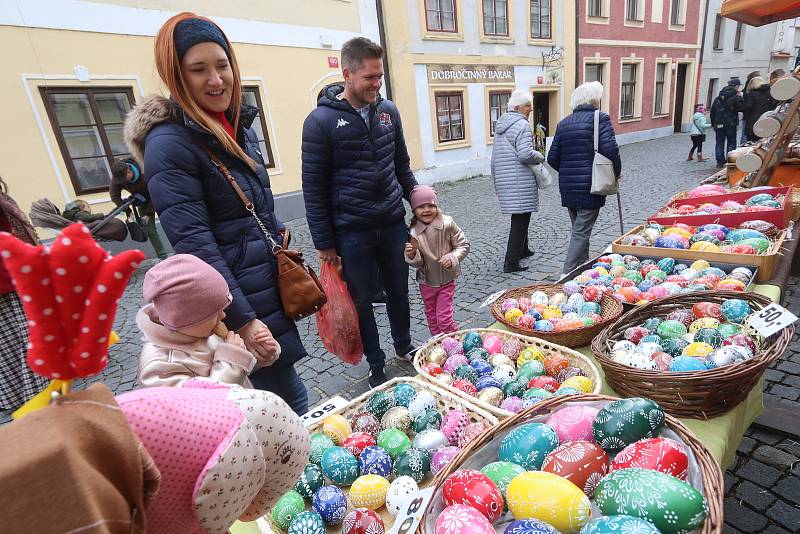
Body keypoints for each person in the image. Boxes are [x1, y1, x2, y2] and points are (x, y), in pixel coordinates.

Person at [123, 12, 310, 414]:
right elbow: (195, 245)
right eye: (198, 69)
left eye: (222, 65)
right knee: (281, 406)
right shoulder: (170, 144)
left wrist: (277, 234)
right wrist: (243, 319)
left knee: (287, 399)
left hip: (262, 287)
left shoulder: (235, 125)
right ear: (176, 76)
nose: (216, 79)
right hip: (235, 307)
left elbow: (253, 208)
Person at [301, 37, 417, 387]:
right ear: (347, 74)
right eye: (369, 77)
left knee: (399, 290)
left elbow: (402, 166)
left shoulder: (388, 112)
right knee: (362, 301)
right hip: (352, 233)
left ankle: (404, 348)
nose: (376, 84)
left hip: (392, 223)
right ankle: (377, 364)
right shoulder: (319, 122)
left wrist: (420, 201)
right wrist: (325, 245)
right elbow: (314, 189)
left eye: (379, 76)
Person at [137, 254, 279, 388]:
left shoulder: (204, 332)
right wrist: (232, 358)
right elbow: (202, 405)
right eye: (214, 313)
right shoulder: (159, 368)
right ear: (188, 318)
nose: (223, 315)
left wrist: (263, 354)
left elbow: (240, 371)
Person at [547, 81, 621, 277]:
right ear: (595, 99)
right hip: (591, 185)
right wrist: (616, 173)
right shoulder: (600, 119)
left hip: (569, 187)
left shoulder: (563, 124)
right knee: (580, 232)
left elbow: (552, 158)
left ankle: (584, 269)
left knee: (580, 230)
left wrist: (567, 172)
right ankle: (566, 275)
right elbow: (611, 150)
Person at [0, 176, 48, 414]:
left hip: (11, 276)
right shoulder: (3, 202)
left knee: (9, 341)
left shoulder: (3, 201)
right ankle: (36, 391)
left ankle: (14, 396)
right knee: (26, 335)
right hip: (11, 278)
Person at [490, 89, 545, 273]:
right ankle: (511, 262)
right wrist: (541, 156)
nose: (530, 109)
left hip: (507, 180)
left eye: (530, 105)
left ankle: (523, 250)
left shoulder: (501, 126)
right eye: (527, 106)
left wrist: (496, 182)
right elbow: (525, 154)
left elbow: (494, 159)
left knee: (521, 215)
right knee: (520, 219)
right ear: (517, 107)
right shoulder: (521, 125)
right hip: (519, 180)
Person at [404, 185, 469, 336]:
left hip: (447, 279)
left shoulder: (447, 224)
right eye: (421, 206)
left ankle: (454, 340)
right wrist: (412, 254)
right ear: (414, 209)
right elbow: (418, 264)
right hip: (426, 281)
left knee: (443, 318)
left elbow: (463, 244)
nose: (426, 210)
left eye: (430, 205)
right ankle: (438, 342)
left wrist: (453, 257)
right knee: (432, 316)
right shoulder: (413, 231)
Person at [109, 159, 169, 259]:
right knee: (150, 230)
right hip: (143, 201)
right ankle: (163, 256)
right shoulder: (118, 176)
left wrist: (149, 214)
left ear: (129, 171)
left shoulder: (145, 173)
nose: (121, 182)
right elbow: (115, 196)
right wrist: (128, 212)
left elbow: (155, 194)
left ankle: (182, 248)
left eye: (123, 179)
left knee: (170, 221)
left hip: (161, 194)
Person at [710, 78, 745, 168]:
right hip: (731, 124)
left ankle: (719, 162)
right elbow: (742, 108)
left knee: (719, 143)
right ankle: (730, 161)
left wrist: (713, 123)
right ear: (736, 86)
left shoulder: (718, 98)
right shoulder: (735, 98)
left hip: (718, 124)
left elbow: (712, 111)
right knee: (731, 143)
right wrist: (741, 98)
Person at [61, 199, 128, 241]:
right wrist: (100, 215)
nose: (90, 209)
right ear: (82, 208)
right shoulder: (80, 214)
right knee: (112, 222)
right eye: (88, 207)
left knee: (108, 219)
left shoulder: (76, 215)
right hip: (87, 228)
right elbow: (90, 218)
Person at [743, 76, 779, 142]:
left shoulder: (752, 94)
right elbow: (775, 104)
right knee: (766, 141)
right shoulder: (770, 91)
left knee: (753, 143)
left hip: (754, 122)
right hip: (768, 119)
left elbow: (748, 106)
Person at [740, 71, 761, 144]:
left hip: (748, 116)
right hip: (752, 116)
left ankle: (743, 147)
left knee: (745, 133)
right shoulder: (751, 92)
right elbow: (748, 105)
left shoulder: (747, 90)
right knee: (747, 134)